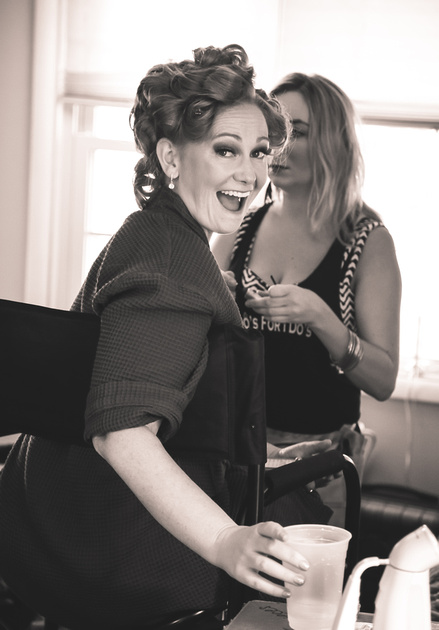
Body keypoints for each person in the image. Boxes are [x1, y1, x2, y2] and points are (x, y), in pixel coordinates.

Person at [0, 47, 333, 630]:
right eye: (226, 150)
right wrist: (227, 538)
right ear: (171, 157)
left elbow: (164, 398)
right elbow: (123, 433)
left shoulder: (154, 232)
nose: (250, 174)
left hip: (55, 509)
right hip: (109, 541)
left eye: (259, 153)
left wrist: (263, 453)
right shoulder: (169, 262)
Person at [213, 72, 401, 521]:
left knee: (301, 589)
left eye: (298, 132)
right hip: (236, 454)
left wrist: (323, 319)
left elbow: (384, 380)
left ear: (334, 144)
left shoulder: (366, 241)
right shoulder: (239, 229)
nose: (279, 145)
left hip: (318, 469)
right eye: (273, 131)